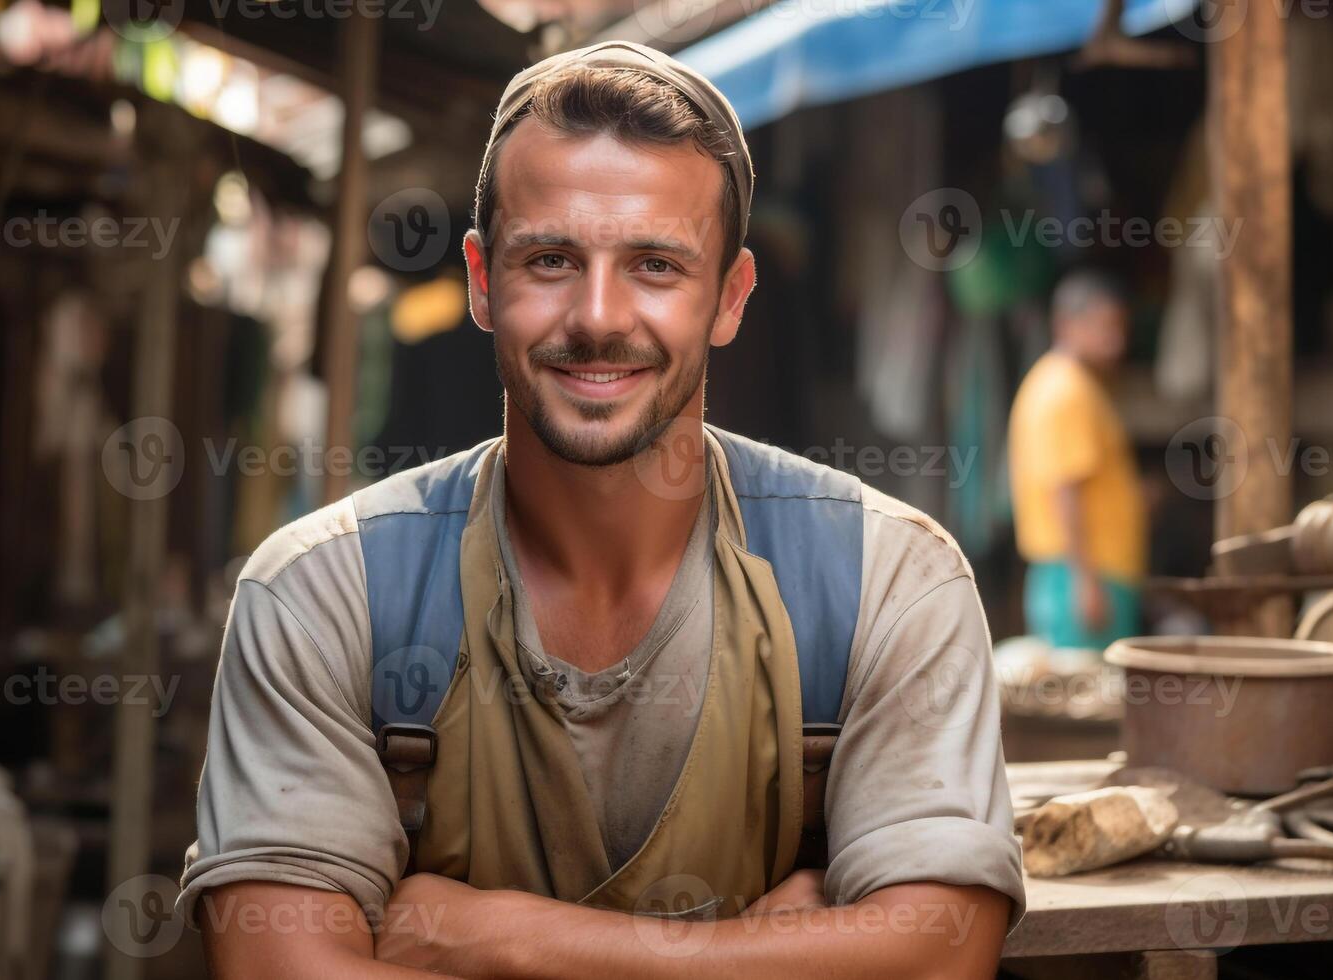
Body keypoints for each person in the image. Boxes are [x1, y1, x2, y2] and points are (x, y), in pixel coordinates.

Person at [181, 41, 1023, 978]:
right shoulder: (319, 594)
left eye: (655, 265)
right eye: (549, 258)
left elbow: (939, 956)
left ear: (730, 297)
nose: (597, 315)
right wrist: (764, 948)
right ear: (480, 280)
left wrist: (495, 938)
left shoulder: (886, 580)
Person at [1008, 271, 1147, 651]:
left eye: (1118, 327)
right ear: (1066, 325)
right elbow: (1063, 488)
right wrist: (1086, 583)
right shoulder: (1065, 391)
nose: (1114, 340)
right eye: (1102, 326)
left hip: (1085, 573)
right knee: (1088, 696)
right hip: (1082, 576)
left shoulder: (1070, 384)